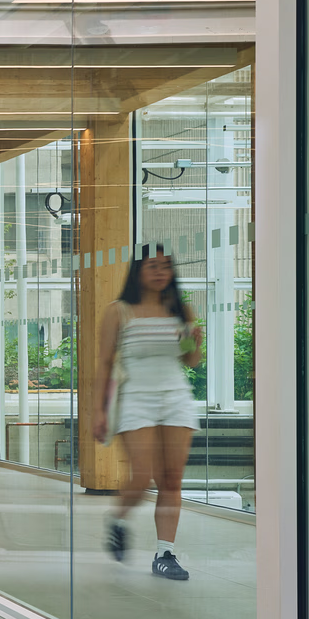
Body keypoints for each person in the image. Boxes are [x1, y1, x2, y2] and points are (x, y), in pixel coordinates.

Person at [91, 247, 202, 582]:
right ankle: (119, 520)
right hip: (135, 397)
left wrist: (195, 342)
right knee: (141, 476)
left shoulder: (181, 309)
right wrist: (98, 411)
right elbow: (105, 363)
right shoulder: (119, 311)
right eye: (153, 266)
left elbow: (191, 362)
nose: (160, 272)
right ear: (138, 270)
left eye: (166, 266)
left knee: (171, 479)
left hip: (176, 396)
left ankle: (165, 553)